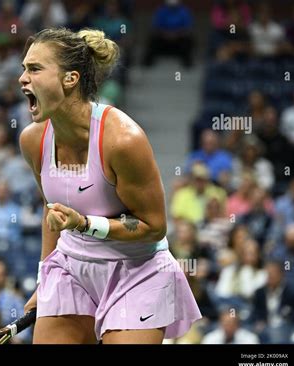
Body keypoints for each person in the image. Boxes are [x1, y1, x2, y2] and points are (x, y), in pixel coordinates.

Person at [18, 28, 201, 344]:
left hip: (137, 272)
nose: (22, 78)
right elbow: (52, 214)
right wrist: (43, 280)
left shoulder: (122, 140)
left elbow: (153, 225)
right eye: (24, 68)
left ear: (70, 79)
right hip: (70, 270)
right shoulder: (33, 140)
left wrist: (86, 224)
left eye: (34, 69)